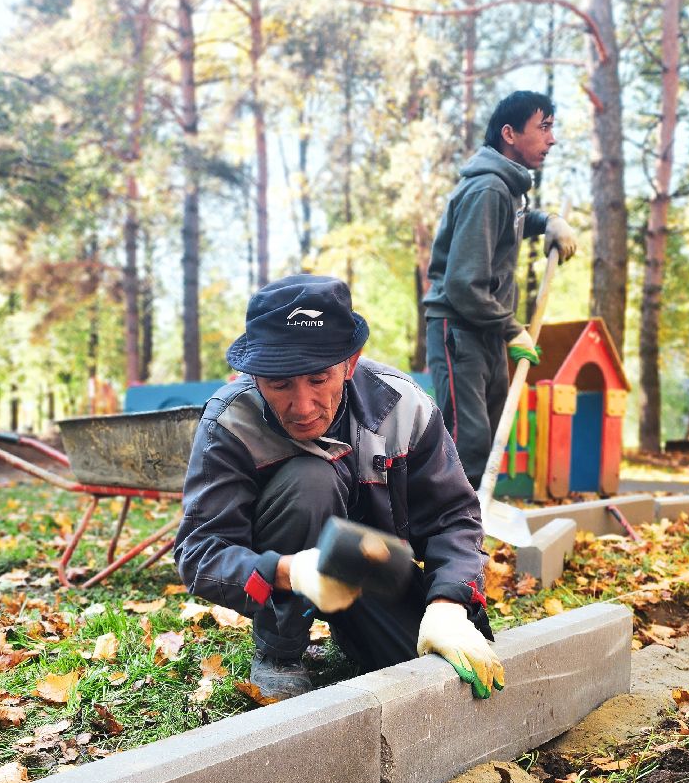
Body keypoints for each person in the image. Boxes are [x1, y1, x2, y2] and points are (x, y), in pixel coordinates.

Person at [174, 274, 504, 702]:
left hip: (378, 571)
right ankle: (280, 648)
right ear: (252, 375)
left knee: (441, 673)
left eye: (318, 379)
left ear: (350, 363)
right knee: (311, 478)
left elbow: (454, 518)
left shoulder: (403, 407)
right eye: (279, 384)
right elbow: (200, 553)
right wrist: (290, 572)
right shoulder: (229, 424)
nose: (303, 405)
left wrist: (448, 604)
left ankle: (364, 629)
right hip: (288, 569)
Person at [423, 90, 577, 488]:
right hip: (460, 327)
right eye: (543, 128)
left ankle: (467, 530)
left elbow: (514, 221)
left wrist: (549, 222)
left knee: (487, 439)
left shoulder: (508, 191)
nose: (552, 139)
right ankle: (442, 536)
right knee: (467, 440)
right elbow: (462, 283)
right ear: (509, 133)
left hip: (484, 330)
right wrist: (512, 329)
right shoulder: (488, 189)